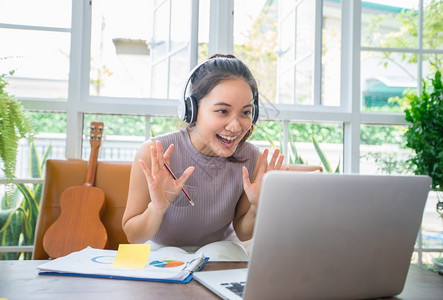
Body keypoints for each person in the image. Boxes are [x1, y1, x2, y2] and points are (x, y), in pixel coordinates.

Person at [122, 54, 285, 259]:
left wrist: (256, 206)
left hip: (219, 249)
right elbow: (133, 236)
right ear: (192, 110)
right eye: (222, 111)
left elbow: (243, 232)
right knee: (169, 256)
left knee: (220, 253)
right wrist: (157, 207)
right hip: (160, 250)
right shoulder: (154, 153)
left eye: (245, 112)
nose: (235, 126)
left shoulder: (252, 158)